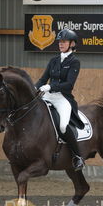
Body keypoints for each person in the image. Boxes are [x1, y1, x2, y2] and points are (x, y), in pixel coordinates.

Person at [35, 29, 85, 171]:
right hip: (48, 96)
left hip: (63, 98)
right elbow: (43, 79)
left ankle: (77, 157)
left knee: (63, 126)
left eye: (64, 41)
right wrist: (34, 88)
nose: (61, 44)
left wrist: (50, 86)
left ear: (72, 43)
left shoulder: (74, 62)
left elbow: (69, 84)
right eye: (60, 41)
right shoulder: (54, 60)